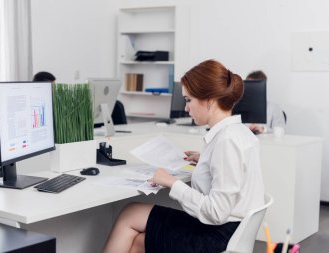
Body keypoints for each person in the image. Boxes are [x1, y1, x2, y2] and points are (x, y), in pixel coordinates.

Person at [102, 59, 265, 253]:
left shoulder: (226, 141)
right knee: (131, 212)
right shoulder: (239, 132)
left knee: (138, 241)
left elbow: (216, 212)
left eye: (189, 100)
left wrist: (172, 182)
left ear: (210, 100)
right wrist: (205, 159)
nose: (186, 108)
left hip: (217, 236)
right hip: (229, 229)